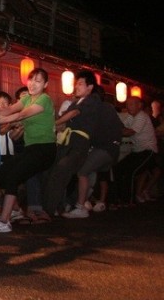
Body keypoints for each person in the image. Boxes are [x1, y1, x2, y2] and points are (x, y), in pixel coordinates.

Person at [0, 68, 56, 233]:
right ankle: (14, 210)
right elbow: (9, 110)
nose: (32, 84)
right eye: (31, 79)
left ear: (45, 84)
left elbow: (21, 115)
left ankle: (4, 221)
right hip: (31, 150)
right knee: (0, 174)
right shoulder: (28, 98)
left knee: (14, 176)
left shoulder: (44, 99)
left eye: (38, 81)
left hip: (45, 150)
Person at [43, 70, 101, 216]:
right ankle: (50, 208)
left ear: (90, 87)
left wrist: (54, 123)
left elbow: (72, 115)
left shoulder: (92, 99)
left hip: (79, 144)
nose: (77, 87)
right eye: (77, 84)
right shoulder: (75, 102)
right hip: (66, 143)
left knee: (62, 170)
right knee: (52, 171)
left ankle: (50, 210)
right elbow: (64, 123)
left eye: (80, 84)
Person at [62, 85, 123, 218]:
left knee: (82, 171)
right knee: (89, 174)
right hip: (110, 149)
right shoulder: (107, 107)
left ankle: (80, 207)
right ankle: (82, 202)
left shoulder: (96, 108)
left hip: (105, 148)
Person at [110, 96, 158, 205]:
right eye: (127, 104)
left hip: (148, 150)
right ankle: (120, 198)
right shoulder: (132, 117)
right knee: (118, 168)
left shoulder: (141, 116)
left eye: (131, 104)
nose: (128, 106)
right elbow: (122, 127)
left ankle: (128, 201)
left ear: (139, 105)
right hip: (137, 151)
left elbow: (129, 132)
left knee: (130, 172)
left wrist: (112, 132)